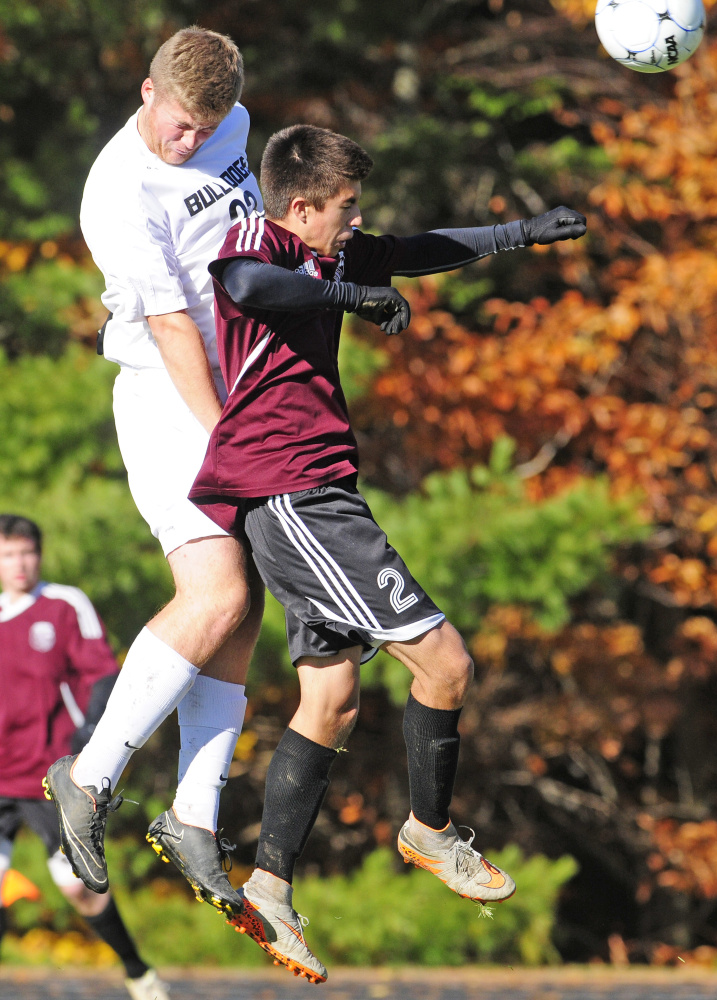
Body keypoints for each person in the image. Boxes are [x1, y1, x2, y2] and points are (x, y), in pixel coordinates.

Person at [188, 124, 588, 983]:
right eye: (345, 208)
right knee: (444, 665)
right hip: (296, 495)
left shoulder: (329, 253)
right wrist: (351, 301)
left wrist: (518, 234)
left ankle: (268, 887)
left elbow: (406, 252)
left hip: (312, 494)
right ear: (300, 206)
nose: (355, 221)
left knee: (329, 699)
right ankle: (429, 833)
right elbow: (252, 286)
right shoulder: (256, 245)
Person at [44, 26, 265, 920]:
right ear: (145, 92)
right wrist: (228, 439)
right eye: (178, 125)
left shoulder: (233, 120)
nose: (190, 141)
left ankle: (194, 815)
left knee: (246, 602)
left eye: (203, 128)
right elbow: (174, 329)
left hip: (240, 388)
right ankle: (89, 779)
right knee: (212, 595)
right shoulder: (115, 192)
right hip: (173, 398)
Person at [0, 515, 169, 1000]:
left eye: (26, 551)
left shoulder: (64, 605)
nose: (19, 562)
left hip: (47, 774)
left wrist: (91, 735)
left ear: (40, 552)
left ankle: (138, 972)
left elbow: (101, 675)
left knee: (76, 888)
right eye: (8, 553)